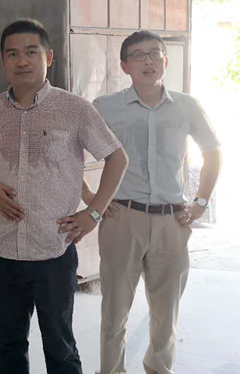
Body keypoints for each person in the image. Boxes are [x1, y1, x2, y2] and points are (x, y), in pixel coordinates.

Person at [0, 19, 128, 374]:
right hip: (2, 251)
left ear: (48, 57)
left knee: (60, 346)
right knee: (10, 344)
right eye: (12, 54)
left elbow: (117, 158)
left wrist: (94, 213)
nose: (21, 61)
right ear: (3, 61)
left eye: (31, 52)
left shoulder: (75, 109)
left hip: (53, 250)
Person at [91, 30, 222, 374]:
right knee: (114, 311)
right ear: (124, 65)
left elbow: (212, 151)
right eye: (138, 55)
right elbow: (69, 153)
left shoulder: (187, 106)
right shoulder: (105, 107)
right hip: (122, 219)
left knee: (166, 313)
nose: (148, 61)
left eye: (155, 53)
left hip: (172, 221)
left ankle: (159, 368)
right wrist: (92, 201)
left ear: (166, 61)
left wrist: (201, 202)